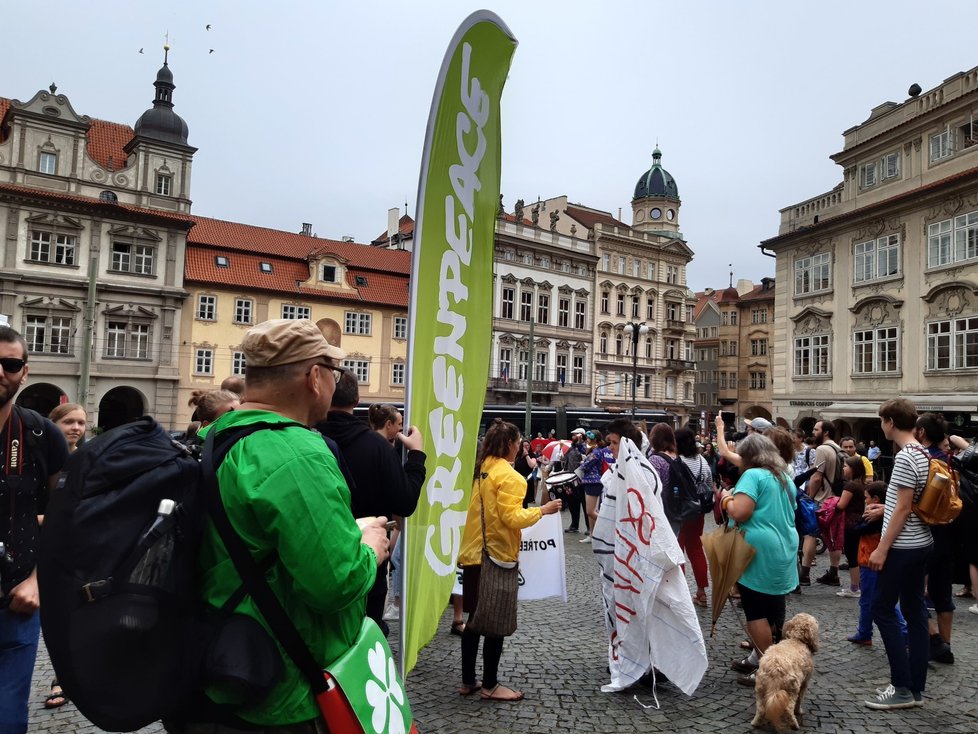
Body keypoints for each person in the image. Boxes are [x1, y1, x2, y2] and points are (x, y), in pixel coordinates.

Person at [172, 319, 389, 732]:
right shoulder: (297, 452)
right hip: (281, 690)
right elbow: (335, 584)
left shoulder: (219, 433)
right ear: (314, 376)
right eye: (335, 371)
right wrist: (370, 547)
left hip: (219, 663)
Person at [457, 419, 562, 702]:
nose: (520, 447)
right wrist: (544, 510)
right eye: (518, 442)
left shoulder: (480, 470)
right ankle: (490, 684)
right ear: (510, 445)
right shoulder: (511, 477)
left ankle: (468, 681)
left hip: (472, 553)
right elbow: (512, 518)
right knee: (496, 622)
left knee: (474, 620)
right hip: (496, 557)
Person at [0, 327, 69, 733]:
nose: (1, 372)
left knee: (8, 719)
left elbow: (65, 514)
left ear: (24, 372)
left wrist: (38, 581)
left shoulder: (42, 434)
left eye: (10, 364)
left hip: (16, 602)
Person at [317, 379, 425, 637]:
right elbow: (405, 502)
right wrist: (417, 455)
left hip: (316, 560)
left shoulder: (306, 436)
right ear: (356, 401)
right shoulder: (376, 447)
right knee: (364, 638)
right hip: (368, 562)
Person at [863, 398, 931, 710]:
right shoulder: (923, 452)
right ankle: (915, 686)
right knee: (916, 612)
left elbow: (904, 508)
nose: (881, 426)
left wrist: (882, 547)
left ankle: (901, 686)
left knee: (882, 609)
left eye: (881, 421)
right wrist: (884, 509)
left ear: (890, 421)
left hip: (902, 547)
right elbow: (909, 503)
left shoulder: (904, 457)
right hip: (921, 543)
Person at [719, 433, 799, 688]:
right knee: (773, 607)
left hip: (757, 551)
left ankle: (769, 667)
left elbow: (740, 512)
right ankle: (768, 658)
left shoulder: (753, 476)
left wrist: (725, 498)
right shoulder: (784, 477)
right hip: (784, 545)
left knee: (755, 611)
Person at [41, 403, 87, 710]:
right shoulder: (40, 457)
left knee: (68, 616)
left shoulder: (85, 458)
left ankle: (63, 678)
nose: (76, 428)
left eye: (81, 423)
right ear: (53, 423)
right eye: (69, 421)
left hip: (73, 548)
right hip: (39, 545)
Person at [913, 413, 956, 665]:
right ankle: (946, 645)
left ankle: (935, 641)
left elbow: (919, 505)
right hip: (948, 532)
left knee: (912, 591)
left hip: (927, 533)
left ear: (921, 433)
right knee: (943, 592)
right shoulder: (948, 460)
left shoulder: (926, 460)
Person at [848, 481, 907, 646]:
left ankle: (903, 633)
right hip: (872, 560)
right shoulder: (887, 513)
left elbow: (856, 529)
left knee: (877, 600)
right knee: (873, 598)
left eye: (866, 498)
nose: (865, 501)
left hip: (870, 560)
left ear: (875, 499)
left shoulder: (875, 515)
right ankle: (865, 631)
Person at [800, 419, 843, 587]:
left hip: (822, 500)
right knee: (833, 537)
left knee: (810, 535)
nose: (813, 432)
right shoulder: (837, 448)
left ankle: (804, 574)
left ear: (825, 432)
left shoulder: (822, 449)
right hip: (836, 499)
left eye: (816, 429)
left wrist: (810, 496)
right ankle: (834, 573)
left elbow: (817, 476)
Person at [675, 428, 710, 606]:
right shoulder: (702, 461)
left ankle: (680, 593)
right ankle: (702, 591)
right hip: (699, 512)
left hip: (681, 512)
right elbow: (710, 484)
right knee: (696, 550)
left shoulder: (678, 461)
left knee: (677, 550)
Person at [836, 456, 868, 599]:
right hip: (857, 522)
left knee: (852, 556)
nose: (843, 469)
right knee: (855, 555)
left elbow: (841, 505)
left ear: (853, 469)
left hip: (850, 524)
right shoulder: (860, 484)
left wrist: (833, 502)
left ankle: (855, 588)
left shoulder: (850, 486)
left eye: (845, 466)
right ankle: (858, 586)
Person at [574, 430, 613, 543]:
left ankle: (611, 526)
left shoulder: (596, 452)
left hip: (593, 482)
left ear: (594, 439)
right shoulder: (597, 450)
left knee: (590, 511)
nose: (586, 440)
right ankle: (592, 535)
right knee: (591, 511)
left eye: (588, 438)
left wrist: (582, 463)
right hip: (591, 482)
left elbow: (586, 465)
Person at [562, 429, 587, 534]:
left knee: (585, 504)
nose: (573, 436)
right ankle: (574, 525)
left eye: (575, 435)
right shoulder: (571, 447)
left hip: (582, 479)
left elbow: (585, 454)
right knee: (572, 503)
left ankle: (589, 527)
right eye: (572, 435)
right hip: (570, 478)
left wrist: (581, 444)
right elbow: (564, 459)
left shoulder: (585, 446)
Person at [513, 439, 538, 509]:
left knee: (525, 502)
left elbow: (532, 465)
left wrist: (527, 455)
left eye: (527, 445)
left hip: (527, 480)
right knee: (518, 500)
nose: (526, 447)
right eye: (524, 446)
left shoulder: (532, 455)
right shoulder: (517, 454)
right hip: (517, 480)